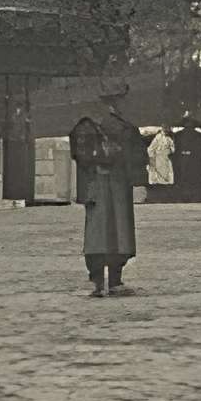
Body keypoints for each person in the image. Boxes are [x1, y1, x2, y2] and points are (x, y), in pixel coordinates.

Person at [69, 94, 143, 298]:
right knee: (115, 233)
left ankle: (100, 281)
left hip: (97, 184)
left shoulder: (88, 125)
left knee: (99, 233)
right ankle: (112, 280)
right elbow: (135, 154)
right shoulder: (119, 127)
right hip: (111, 183)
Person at [145, 124, 175, 196]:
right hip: (159, 159)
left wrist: (171, 151)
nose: (167, 129)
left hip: (166, 159)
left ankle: (165, 193)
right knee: (159, 176)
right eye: (165, 128)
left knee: (167, 176)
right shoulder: (158, 138)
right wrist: (152, 160)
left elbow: (172, 149)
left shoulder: (169, 138)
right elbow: (150, 149)